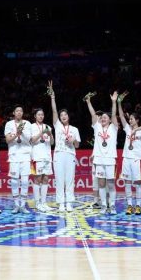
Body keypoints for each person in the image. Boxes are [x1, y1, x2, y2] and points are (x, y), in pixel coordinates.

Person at [49, 80, 81, 212]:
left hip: (70, 154)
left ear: (68, 116)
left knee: (69, 180)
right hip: (58, 154)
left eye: (65, 114)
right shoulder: (57, 126)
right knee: (59, 179)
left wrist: (73, 140)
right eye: (61, 115)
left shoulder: (74, 129)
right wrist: (53, 97)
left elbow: (77, 145)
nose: (63, 116)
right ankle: (61, 203)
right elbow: (54, 111)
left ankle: (69, 202)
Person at [86, 91, 119, 214]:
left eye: (106, 117)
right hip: (99, 159)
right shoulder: (97, 127)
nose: (103, 118)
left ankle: (113, 206)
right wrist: (89, 102)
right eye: (102, 117)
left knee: (110, 183)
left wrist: (114, 102)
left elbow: (114, 114)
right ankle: (104, 206)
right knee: (101, 183)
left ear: (110, 120)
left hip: (110, 159)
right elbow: (93, 114)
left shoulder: (113, 128)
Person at [118, 95, 141, 215]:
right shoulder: (127, 129)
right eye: (129, 119)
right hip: (126, 158)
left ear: (136, 120)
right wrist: (118, 102)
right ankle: (130, 205)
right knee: (127, 182)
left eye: (131, 119)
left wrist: (136, 130)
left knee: (137, 182)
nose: (129, 120)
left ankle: (138, 206)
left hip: (137, 159)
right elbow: (121, 116)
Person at [4, 105, 32, 214]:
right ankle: (16, 205)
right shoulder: (9, 124)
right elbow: (8, 140)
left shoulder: (27, 124)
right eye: (17, 111)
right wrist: (16, 134)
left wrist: (22, 132)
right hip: (14, 155)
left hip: (25, 155)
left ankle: (23, 205)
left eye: (21, 111)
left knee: (25, 181)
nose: (19, 112)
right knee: (15, 181)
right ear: (14, 113)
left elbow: (29, 139)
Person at [30, 108, 54, 212]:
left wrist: (50, 135)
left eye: (42, 114)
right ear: (35, 116)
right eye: (39, 114)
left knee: (45, 179)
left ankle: (44, 203)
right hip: (37, 157)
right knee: (37, 179)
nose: (41, 116)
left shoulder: (48, 127)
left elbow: (52, 143)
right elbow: (32, 141)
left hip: (47, 157)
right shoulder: (32, 126)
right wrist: (41, 133)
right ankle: (37, 203)